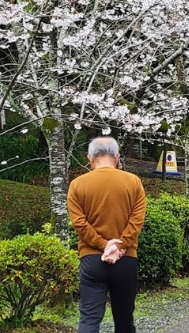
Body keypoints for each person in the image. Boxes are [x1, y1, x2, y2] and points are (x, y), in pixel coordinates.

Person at [68, 137, 147, 333]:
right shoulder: (133, 182)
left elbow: (79, 223)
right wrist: (118, 246)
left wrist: (104, 245)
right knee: (124, 319)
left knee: (89, 318)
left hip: (91, 259)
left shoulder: (77, 185)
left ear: (90, 158)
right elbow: (137, 221)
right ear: (117, 157)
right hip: (126, 259)